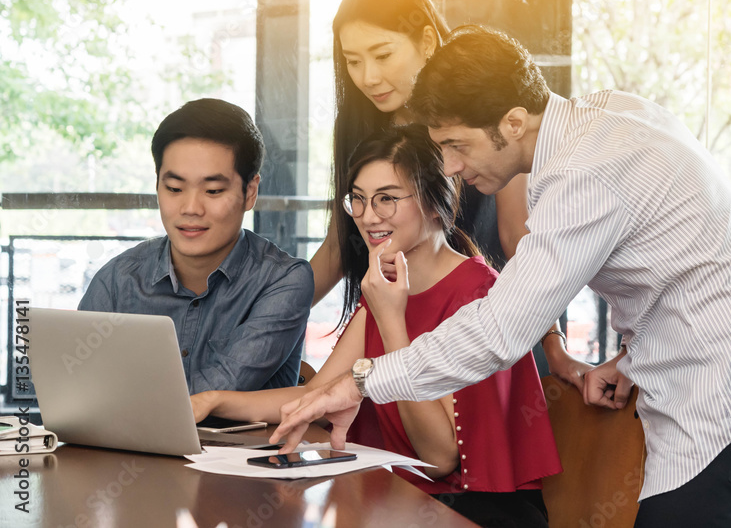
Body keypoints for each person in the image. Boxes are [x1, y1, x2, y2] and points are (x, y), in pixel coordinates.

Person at [273, 26, 731, 528]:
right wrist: (635, 355)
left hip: (727, 417)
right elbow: (690, 256)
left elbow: (498, 332)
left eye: (456, 145)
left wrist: (362, 381)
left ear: (513, 122)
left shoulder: (582, 176)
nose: (449, 167)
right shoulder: (613, 114)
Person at [193, 126, 561, 527]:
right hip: (402, 502)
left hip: (475, 512)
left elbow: (438, 459)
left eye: (387, 199)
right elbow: (316, 395)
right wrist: (214, 400)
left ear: (436, 202)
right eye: (360, 200)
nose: (368, 217)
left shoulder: (480, 293)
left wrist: (390, 319)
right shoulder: (384, 289)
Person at [307, 0, 587, 384]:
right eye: (353, 61)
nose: (366, 77)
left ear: (425, 41)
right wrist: (267, 315)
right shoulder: (362, 128)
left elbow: (518, 238)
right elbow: (338, 245)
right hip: (397, 315)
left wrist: (554, 343)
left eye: (382, 55)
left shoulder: (481, 109)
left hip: (480, 321)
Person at [79, 98, 312, 393]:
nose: (190, 208)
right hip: (122, 441)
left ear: (250, 192)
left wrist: (124, 397)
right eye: (174, 188)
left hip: (246, 442)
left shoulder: (283, 280)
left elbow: (224, 388)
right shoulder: (117, 279)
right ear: (157, 186)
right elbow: (81, 389)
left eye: (213, 191)